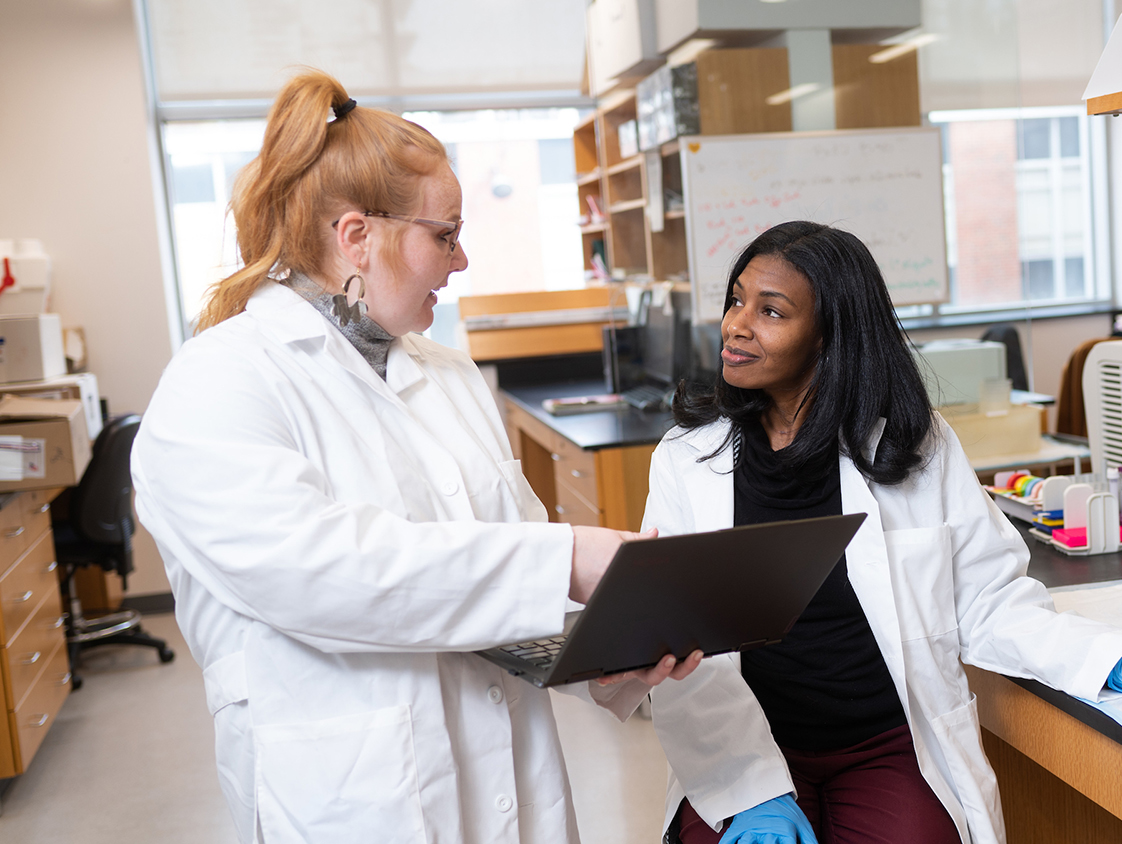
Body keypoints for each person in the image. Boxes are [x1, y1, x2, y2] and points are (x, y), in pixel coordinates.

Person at [131, 70, 700, 844]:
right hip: (356, 800)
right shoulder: (216, 384)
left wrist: (602, 653)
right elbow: (325, 574)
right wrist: (565, 558)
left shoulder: (448, 373)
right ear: (357, 236)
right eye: (445, 236)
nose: (461, 262)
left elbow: (500, 600)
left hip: (515, 789)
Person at [642, 221, 1122, 844]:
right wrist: (747, 793)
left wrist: (1116, 660)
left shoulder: (910, 446)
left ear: (829, 338)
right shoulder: (688, 459)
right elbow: (680, 644)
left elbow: (987, 601)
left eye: (771, 311)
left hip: (886, 741)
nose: (736, 324)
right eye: (737, 299)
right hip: (742, 742)